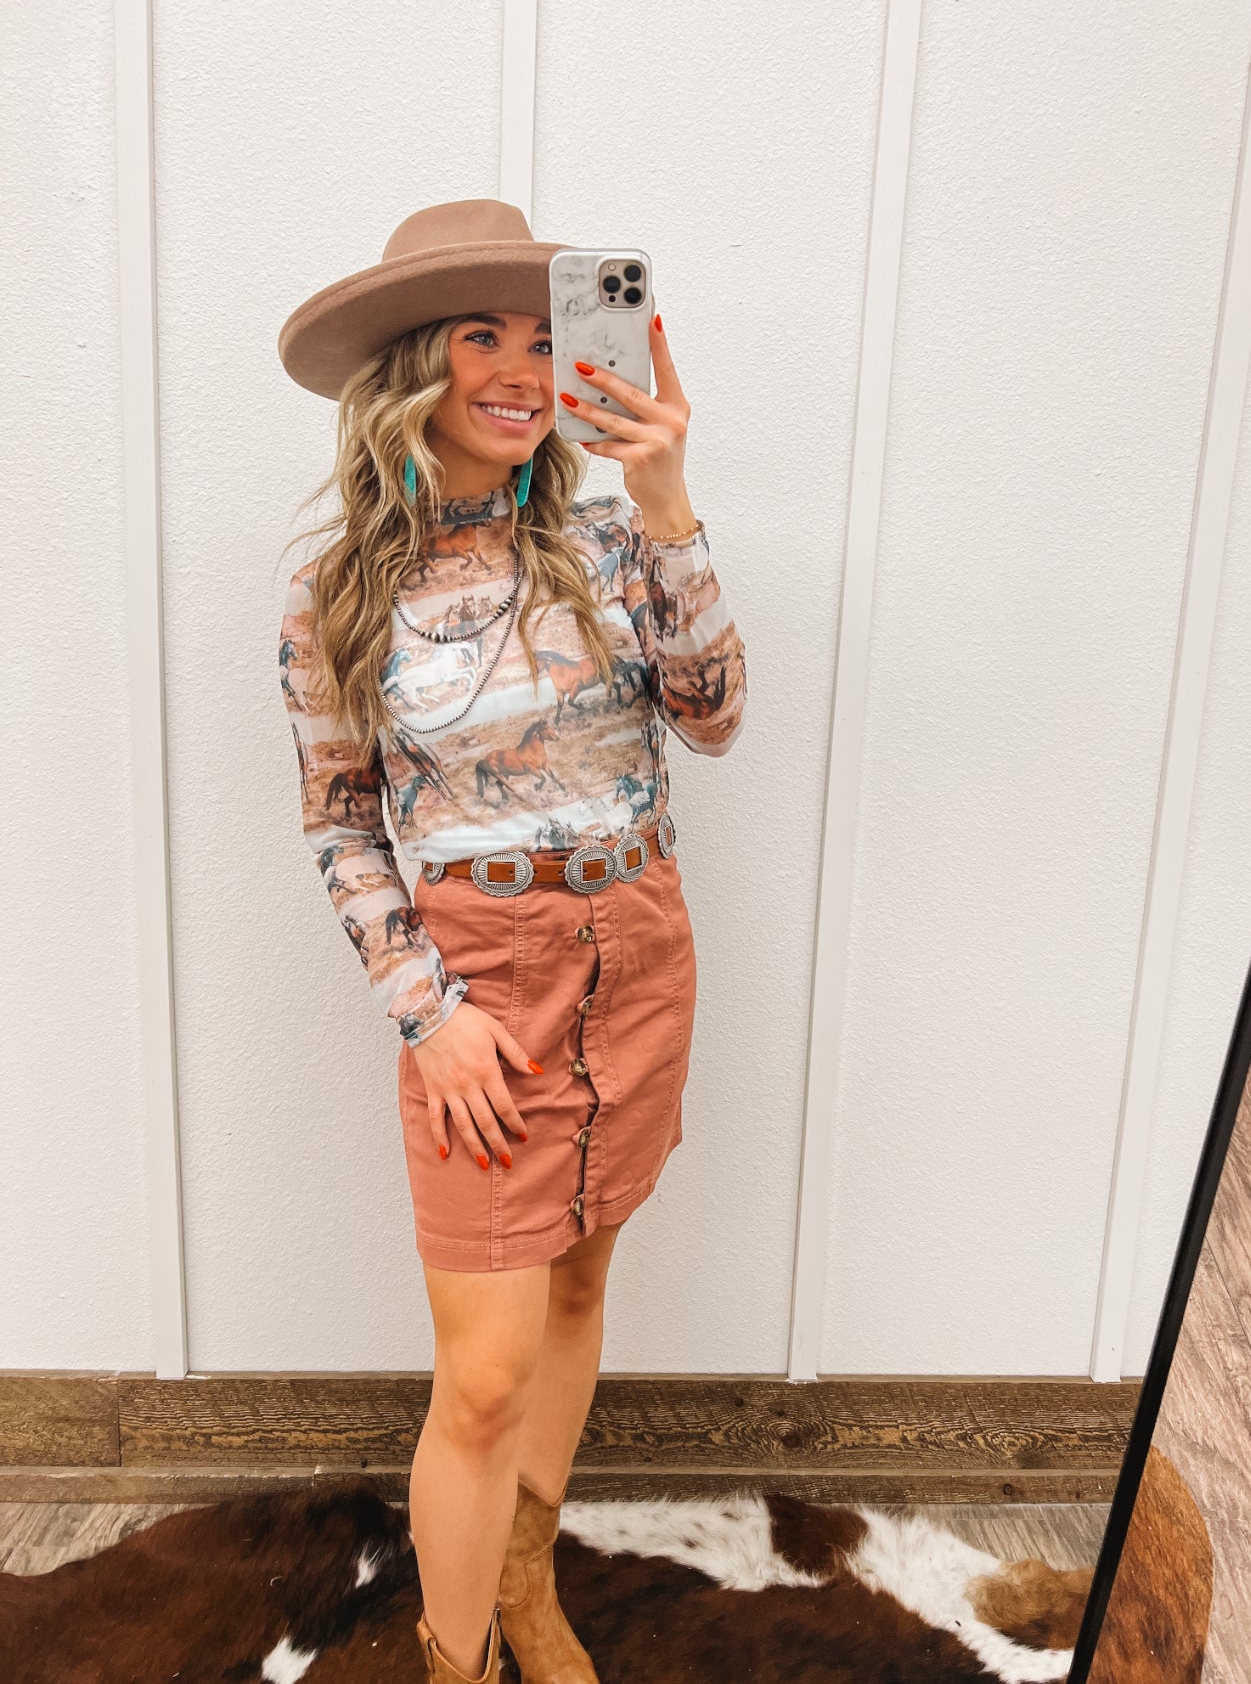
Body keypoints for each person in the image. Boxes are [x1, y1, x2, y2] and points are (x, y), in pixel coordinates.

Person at [276, 198, 747, 1684]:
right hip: (483, 979)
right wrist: (430, 1011)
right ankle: (457, 1658)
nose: (524, 368)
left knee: (581, 1289)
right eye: (483, 334)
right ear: (414, 366)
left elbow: (715, 717)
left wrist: (666, 498)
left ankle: (529, 1586)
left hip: (639, 945)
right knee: (481, 1377)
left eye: (548, 337)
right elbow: (342, 821)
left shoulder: (611, 539)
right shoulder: (338, 589)